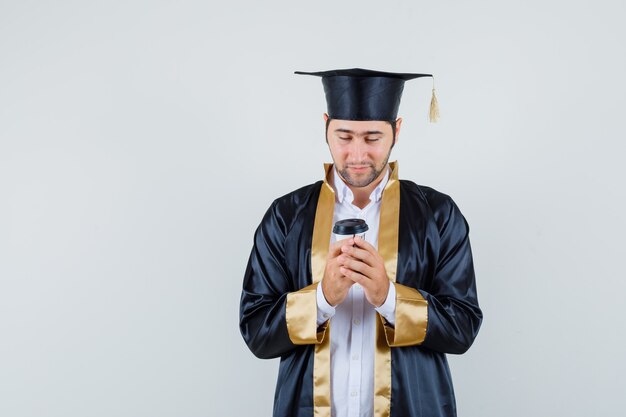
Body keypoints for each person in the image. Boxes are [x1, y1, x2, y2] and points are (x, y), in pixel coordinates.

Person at [239, 68, 482, 417]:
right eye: (344, 136)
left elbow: (463, 328)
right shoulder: (286, 216)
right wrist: (322, 299)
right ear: (325, 126)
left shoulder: (437, 215)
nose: (356, 154)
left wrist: (390, 297)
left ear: (397, 130)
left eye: (372, 138)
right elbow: (256, 330)